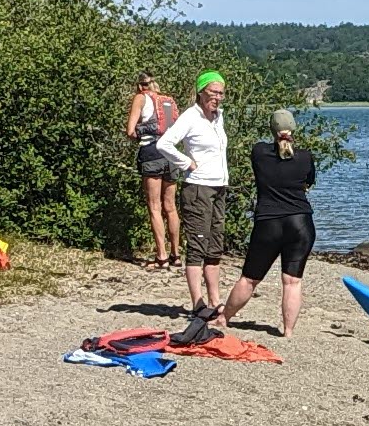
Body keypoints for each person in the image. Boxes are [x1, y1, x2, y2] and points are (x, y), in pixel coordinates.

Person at [218, 107, 318, 337]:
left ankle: (224, 318)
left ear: (271, 130)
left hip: (268, 222)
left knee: (250, 278)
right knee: (292, 281)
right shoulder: (305, 156)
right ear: (294, 129)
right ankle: (288, 331)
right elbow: (308, 183)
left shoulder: (259, 152)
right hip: (301, 222)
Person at [157, 69, 233, 319]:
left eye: (221, 93)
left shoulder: (218, 117)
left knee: (214, 246)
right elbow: (164, 144)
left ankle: (215, 300)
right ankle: (197, 302)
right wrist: (186, 162)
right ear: (201, 92)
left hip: (219, 186)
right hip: (198, 187)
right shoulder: (191, 116)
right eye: (213, 93)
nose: (217, 98)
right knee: (198, 246)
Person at [126, 71, 182, 268]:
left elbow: (130, 131)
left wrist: (139, 133)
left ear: (141, 86)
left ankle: (162, 256)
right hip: (172, 154)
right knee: (171, 207)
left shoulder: (141, 98)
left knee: (155, 207)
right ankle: (176, 255)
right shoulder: (168, 101)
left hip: (151, 152)